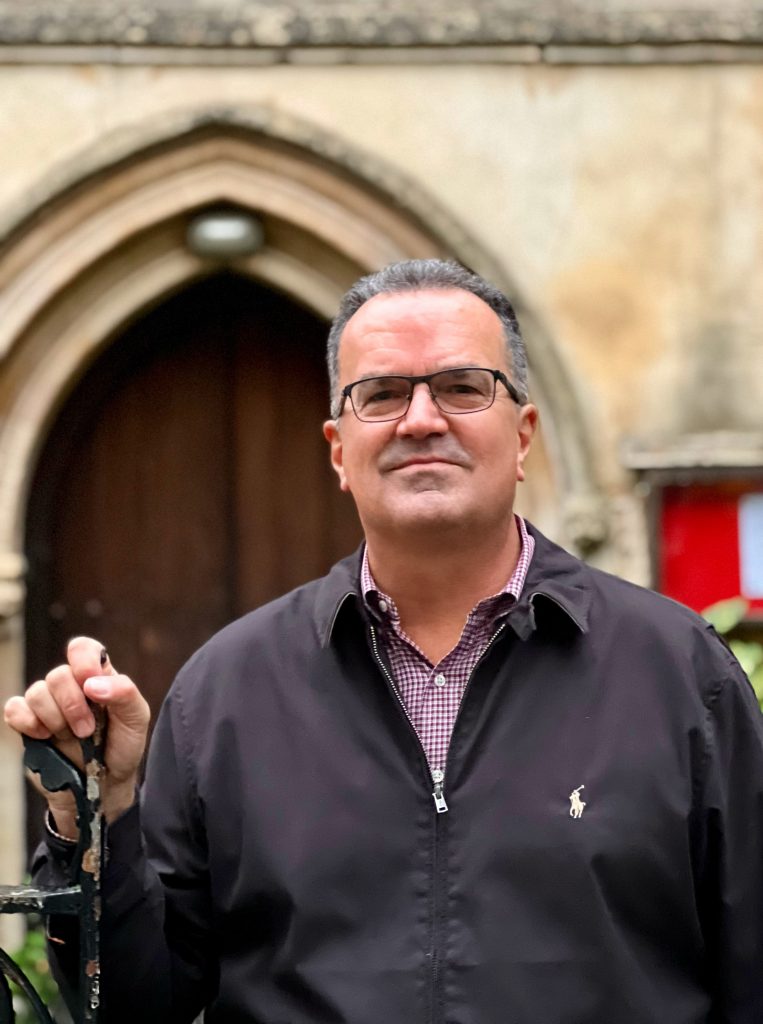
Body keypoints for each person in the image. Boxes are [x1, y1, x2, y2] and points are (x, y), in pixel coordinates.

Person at [5, 259, 763, 1023]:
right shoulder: (227, 691)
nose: (421, 419)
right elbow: (136, 1006)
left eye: (463, 387)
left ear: (523, 434)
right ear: (339, 449)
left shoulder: (676, 673)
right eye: (383, 394)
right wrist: (99, 810)